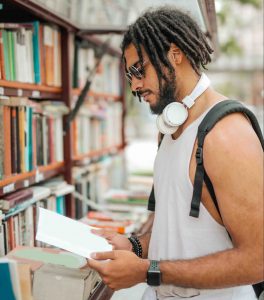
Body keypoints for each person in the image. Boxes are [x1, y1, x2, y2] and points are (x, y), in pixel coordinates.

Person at [87, 6, 263, 300]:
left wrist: (148, 271)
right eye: (130, 75)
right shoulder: (170, 128)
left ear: (175, 55)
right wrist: (135, 246)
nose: (135, 85)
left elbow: (259, 259)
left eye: (138, 70)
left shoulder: (226, 134)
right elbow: (181, 230)